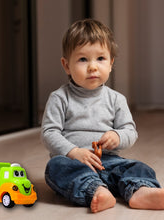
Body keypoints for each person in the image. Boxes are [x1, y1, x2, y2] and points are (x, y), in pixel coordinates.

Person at [41, 19, 164, 213]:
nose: (92, 67)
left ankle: (140, 191)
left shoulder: (116, 99)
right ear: (66, 65)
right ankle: (96, 190)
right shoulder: (59, 98)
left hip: (109, 162)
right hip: (75, 163)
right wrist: (73, 152)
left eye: (100, 58)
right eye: (83, 59)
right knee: (55, 167)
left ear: (111, 63)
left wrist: (117, 136)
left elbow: (130, 131)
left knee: (138, 167)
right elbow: (49, 133)